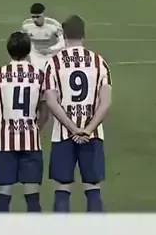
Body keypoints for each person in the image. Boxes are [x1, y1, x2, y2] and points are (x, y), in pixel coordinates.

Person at [43, 15, 112, 212]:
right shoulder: (99, 62)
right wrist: (87, 130)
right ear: (84, 34)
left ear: (64, 36)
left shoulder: (54, 63)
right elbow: (106, 101)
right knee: (93, 189)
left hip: (63, 135)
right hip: (93, 136)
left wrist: (73, 129)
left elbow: (51, 101)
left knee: (62, 189)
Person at [0, 32, 49, 212]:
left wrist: (1, 130)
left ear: (9, 50)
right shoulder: (39, 75)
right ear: (29, 50)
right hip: (31, 143)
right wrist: (35, 130)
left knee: (2, 199)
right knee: (33, 200)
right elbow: (45, 112)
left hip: (5, 144)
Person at [21, 3, 65, 71]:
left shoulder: (54, 25)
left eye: (38, 17)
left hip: (50, 56)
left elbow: (63, 42)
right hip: (35, 57)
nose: (35, 20)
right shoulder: (27, 25)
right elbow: (22, 41)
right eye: (33, 17)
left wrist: (50, 50)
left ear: (44, 15)